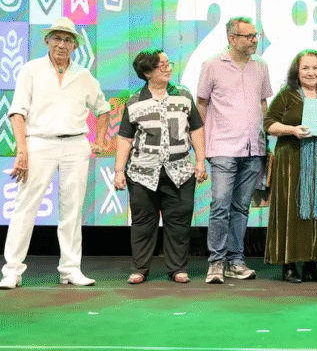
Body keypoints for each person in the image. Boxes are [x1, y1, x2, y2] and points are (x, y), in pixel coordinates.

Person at [0, 17, 110, 289]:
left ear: (75, 46)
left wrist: (98, 141)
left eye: (68, 40)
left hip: (76, 145)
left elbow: (103, 109)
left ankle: (70, 269)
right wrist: (22, 151)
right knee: (26, 206)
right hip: (39, 142)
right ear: (47, 41)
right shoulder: (31, 70)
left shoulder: (84, 75)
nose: (62, 44)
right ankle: (12, 271)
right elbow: (17, 113)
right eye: (57, 39)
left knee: (72, 209)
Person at [114, 48, 207, 284]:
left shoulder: (183, 95)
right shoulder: (135, 100)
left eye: (168, 63)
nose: (167, 69)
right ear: (147, 72)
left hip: (180, 171)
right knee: (143, 223)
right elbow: (125, 138)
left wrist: (200, 160)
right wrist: (118, 170)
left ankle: (178, 268)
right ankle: (140, 268)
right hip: (142, 173)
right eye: (161, 65)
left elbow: (196, 128)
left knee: (179, 223)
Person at [197, 17, 273, 284]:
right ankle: (216, 262)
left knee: (241, 208)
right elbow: (201, 104)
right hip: (222, 146)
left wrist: (265, 141)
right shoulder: (212, 65)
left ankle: (236, 261)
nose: (254, 40)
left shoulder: (261, 66)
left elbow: (263, 103)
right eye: (248, 36)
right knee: (220, 204)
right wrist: (200, 147)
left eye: (255, 35)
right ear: (232, 38)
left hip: (253, 148)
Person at [263, 50, 317, 283]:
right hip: (291, 162)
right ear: (297, 71)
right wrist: (292, 130)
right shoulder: (287, 95)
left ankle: (312, 265)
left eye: (315, 68)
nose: (311, 72)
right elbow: (268, 124)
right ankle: (289, 265)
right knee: (291, 211)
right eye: (305, 68)